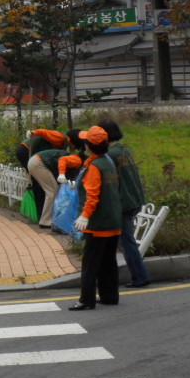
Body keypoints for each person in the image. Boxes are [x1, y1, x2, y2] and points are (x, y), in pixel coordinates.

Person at [69, 125, 123, 311]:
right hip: (113, 219)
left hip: (98, 223)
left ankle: (86, 300)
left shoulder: (94, 166)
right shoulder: (108, 162)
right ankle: (110, 296)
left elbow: (93, 195)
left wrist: (85, 216)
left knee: (90, 263)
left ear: (89, 146)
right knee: (108, 261)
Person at [98, 118, 151, 288]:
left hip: (123, 201)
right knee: (127, 240)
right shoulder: (123, 150)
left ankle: (140, 277)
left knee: (127, 242)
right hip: (134, 198)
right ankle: (139, 276)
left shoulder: (110, 156)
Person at [16, 128, 70, 215]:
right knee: (39, 183)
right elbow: (44, 132)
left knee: (38, 182)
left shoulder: (61, 143)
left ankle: (39, 212)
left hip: (26, 151)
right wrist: (34, 132)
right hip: (26, 151)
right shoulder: (61, 137)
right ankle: (41, 213)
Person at [27, 147, 82, 229]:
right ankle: (46, 222)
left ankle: (49, 219)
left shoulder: (73, 160)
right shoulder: (77, 160)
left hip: (36, 161)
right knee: (52, 191)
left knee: (53, 190)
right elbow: (62, 160)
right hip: (39, 163)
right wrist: (62, 174)